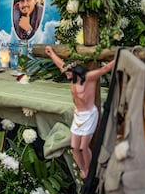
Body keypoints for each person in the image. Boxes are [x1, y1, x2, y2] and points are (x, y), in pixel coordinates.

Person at [45, 46, 114, 179]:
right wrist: (52, 54)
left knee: (83, 147)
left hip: (89, 115)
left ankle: (90, 170)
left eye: (68, 73)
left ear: (75, 71)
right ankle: (83, 169)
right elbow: (61, 64)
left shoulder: (89, 77)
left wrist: (118, 58)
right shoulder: (72, 78)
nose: (66, 75)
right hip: (78, 115)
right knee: (74, 147)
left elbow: (104, 69)